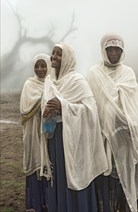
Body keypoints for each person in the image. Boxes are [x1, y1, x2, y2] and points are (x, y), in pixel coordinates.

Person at [40, 42, 109, 212]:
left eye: (59, 53)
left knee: (75, 177)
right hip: (56, 139)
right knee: (59, 178)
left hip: (74, 140)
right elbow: (45, 106)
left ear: (68, 58)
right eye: (53, 53)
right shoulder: (49, 81)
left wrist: (63, 106)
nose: (54, 56)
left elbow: (91, 110)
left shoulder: (77, 80)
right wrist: (47, 112)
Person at [87, 33, 138, 212]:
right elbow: (92, 104)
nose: (113, 53)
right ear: (103, 50)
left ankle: (125, 206)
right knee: (107, 176)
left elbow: (135, 106)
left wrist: (126, 122)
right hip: (103, 134)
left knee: (125, 174)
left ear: (122, 51)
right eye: (109, 49)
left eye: (117, 49)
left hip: (125, 133)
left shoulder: (128, 73)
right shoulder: (94, 73)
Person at [20, 53, 51, 212]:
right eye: (37, 66)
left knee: (49, 164)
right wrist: (42, 102)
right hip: (33, 133)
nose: (40, 69)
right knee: (36, 162)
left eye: (43, 65)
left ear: (49, 66)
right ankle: (36, 204)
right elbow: (25, 111)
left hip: (48, 134)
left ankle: (49, 203)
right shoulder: (29, 85)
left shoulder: (53, 83)